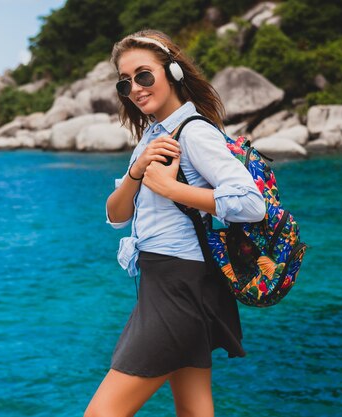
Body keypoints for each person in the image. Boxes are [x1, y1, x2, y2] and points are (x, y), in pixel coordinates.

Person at [84, 29, 266, 417]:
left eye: (144, 75)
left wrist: (170, 188)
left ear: (174, 73)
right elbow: (116, 216)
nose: (134, 88)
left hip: (179, 287)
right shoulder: (152, 137)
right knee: (194, 410)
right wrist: (137, 170)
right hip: (167, 284)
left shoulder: (195, 132)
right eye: (125, 82)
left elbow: (252, 204)